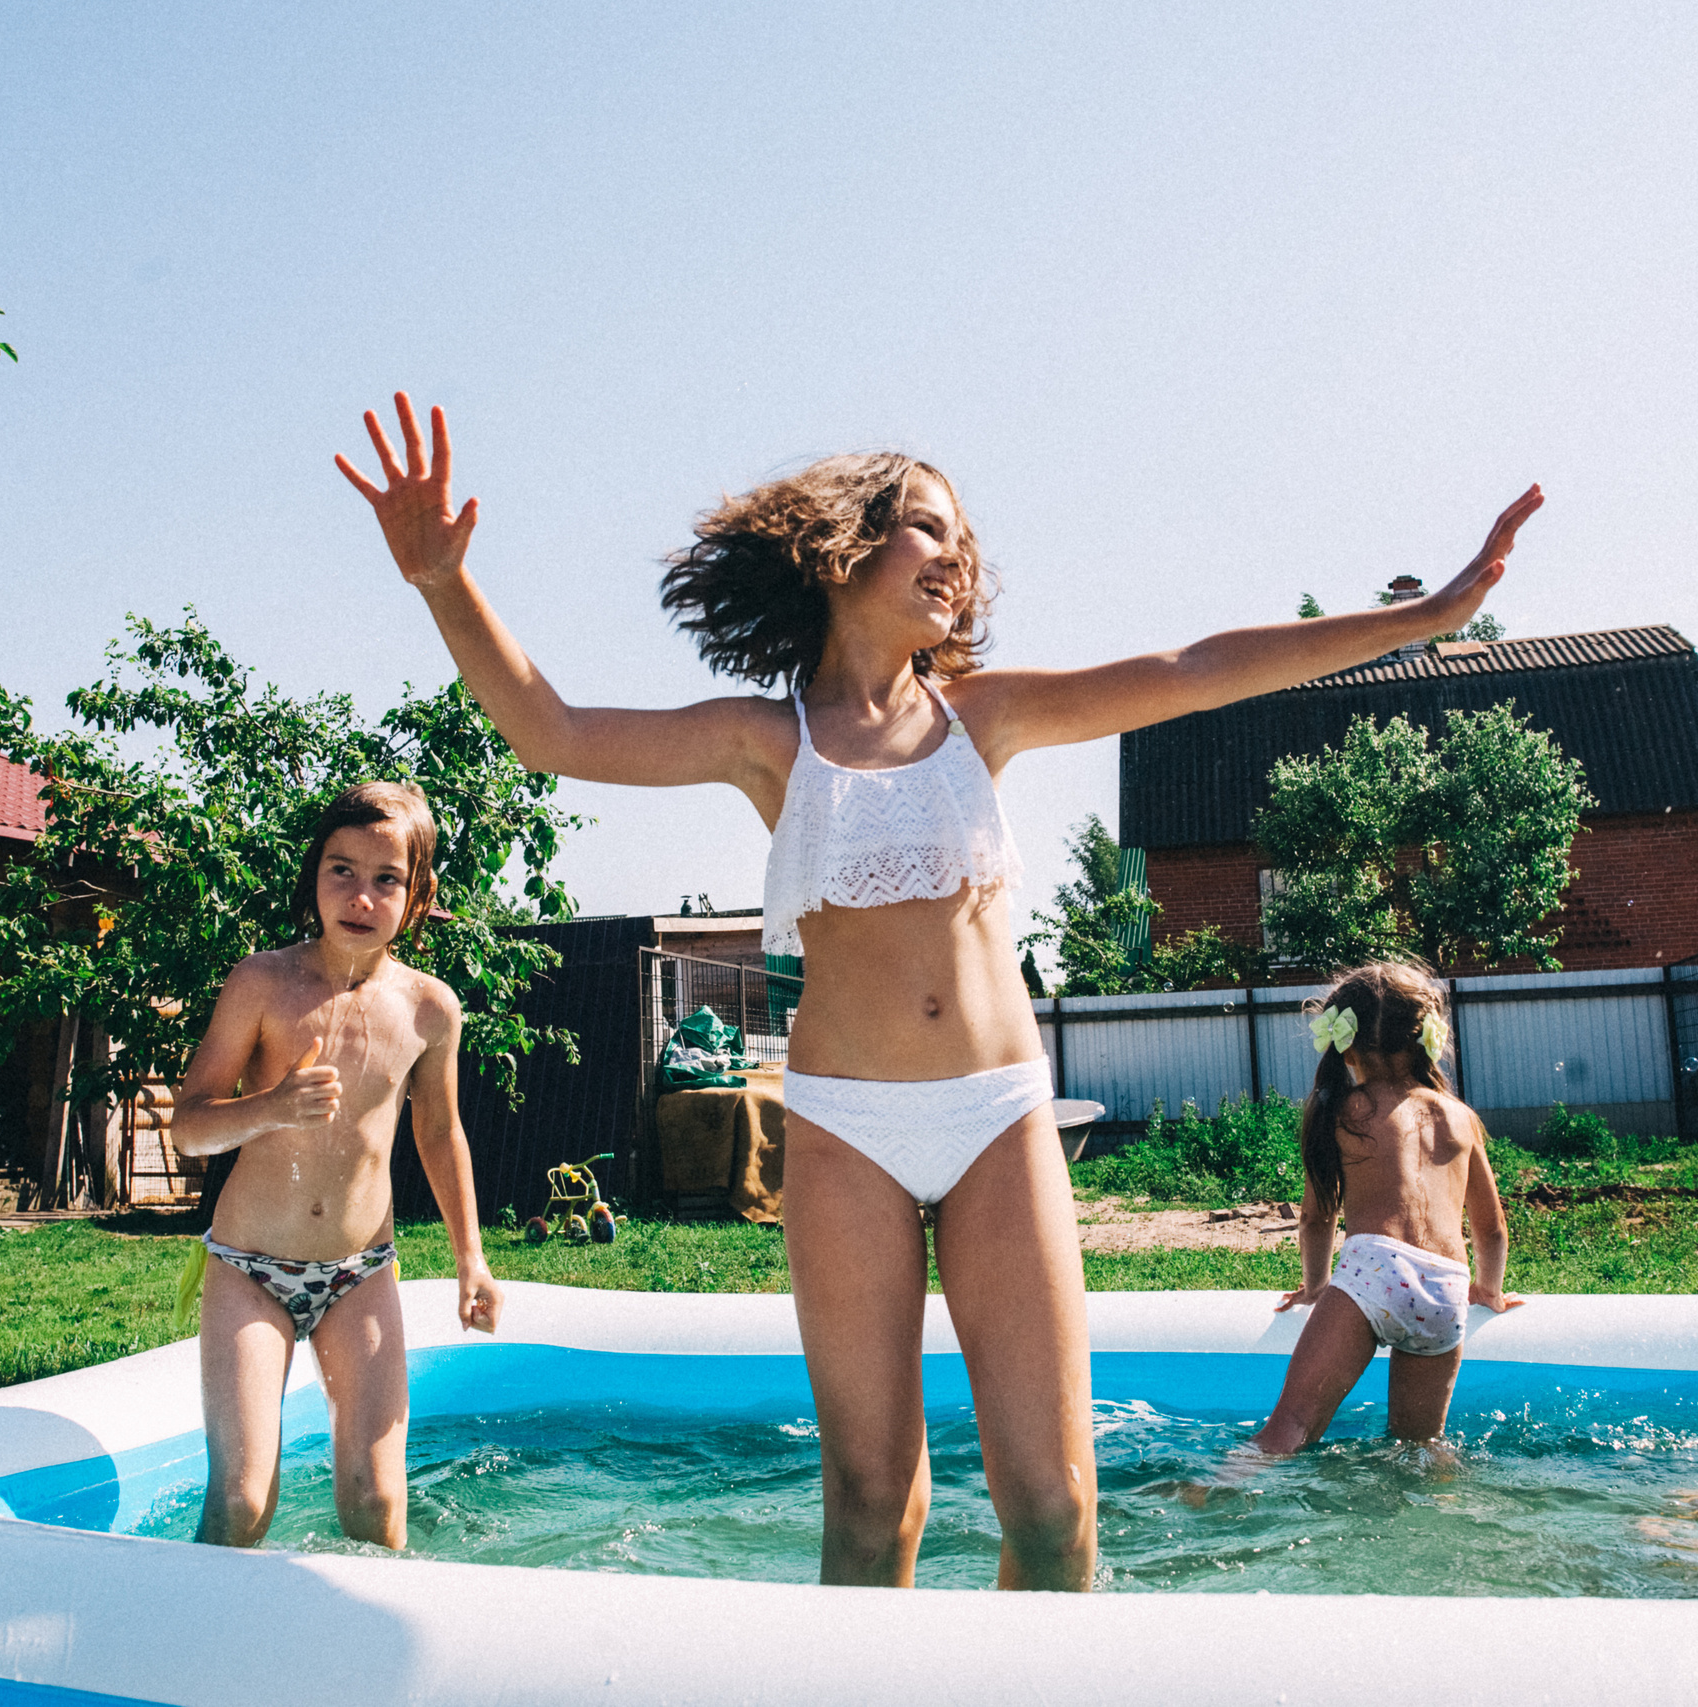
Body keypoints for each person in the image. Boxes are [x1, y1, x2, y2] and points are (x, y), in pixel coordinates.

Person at [337, 391, 1540, 1589]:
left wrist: (1422, 616)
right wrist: (444, 581)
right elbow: (549, 730)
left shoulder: (987, 715)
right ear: (842, 548)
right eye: (924, 526)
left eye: (960, 535)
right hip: (846, 1128)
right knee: (872, 1506)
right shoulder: (771, 740)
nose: (953, 554)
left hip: (996, 1117)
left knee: (1058, 1509)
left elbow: (1197, 667)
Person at [170, 780, 501, 1550]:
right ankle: (193, 1654)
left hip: (360, 1271)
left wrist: (472, 1259)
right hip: (250, 1267)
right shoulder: (263, 983)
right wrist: (272, 1107)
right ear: (313, 875)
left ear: (418, 897)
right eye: (340, 870)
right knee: (243, 1501)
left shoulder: (429, 1008)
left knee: (376, 1500)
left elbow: (441, 1135)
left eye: (386, 878)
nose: (360, 894)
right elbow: (190, 1126)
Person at [1248, 962, 1522, 1457]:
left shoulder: (1342, 1109)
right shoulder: (1461, 1117)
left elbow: (1316, 1219)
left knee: (1290, 1426)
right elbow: (1493, 1228)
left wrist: (1316, 1290)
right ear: (1425, 1039)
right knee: (1421, 1447)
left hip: (1372, 1272)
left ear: (1345, 1044)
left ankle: (1209, 1492)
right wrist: (1489, 1290)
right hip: (1445, 1291)